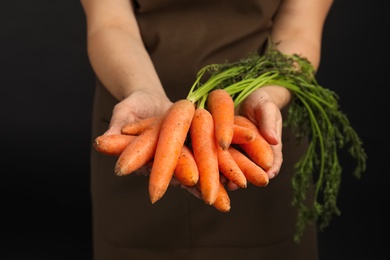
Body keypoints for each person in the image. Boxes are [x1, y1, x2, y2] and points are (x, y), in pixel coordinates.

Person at [80, 0, 333, 259]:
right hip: (142, 127)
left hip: (250, 135)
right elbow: (110, 22)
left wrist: (268, 94)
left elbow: (299, 31)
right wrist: (141, 90)